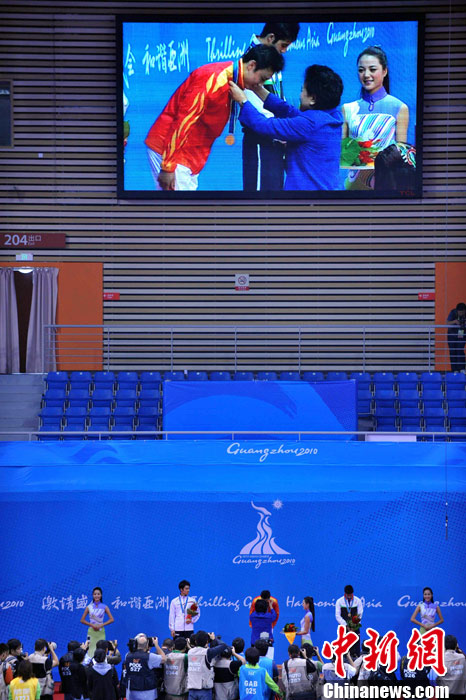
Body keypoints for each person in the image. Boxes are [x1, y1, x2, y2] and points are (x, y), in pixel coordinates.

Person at [145, 45, 284, 192]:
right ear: (251, 65)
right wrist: (167, 165)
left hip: (190, 155)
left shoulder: (235, 81)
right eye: (262, 79)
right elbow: (184, 121)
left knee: (186, 206)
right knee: (180, 207)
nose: (260, 85)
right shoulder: (213, 79)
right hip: (170, 149)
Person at [230, 64, 344, 191]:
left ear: (312, 99)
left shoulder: (309, 124)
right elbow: (288, 111)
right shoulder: (332, 117)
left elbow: (264, 125)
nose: (300, 95)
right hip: (331, 194)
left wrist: (243, 100)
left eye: (302, 90)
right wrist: (257, 89)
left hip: (307, 197)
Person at [241, 22, 300, 192]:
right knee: (260, 198)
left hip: (276, 136)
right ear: (271, 38)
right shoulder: (252, 60)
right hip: (261, 138)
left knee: (274, 195)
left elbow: (276, 96)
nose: (285, 50)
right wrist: (282, 130)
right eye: (283, 45)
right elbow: (253, 108)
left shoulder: (271, 58)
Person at [342, 46, 409, 191]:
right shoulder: (348, 108)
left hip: (385, 185)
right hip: (353, 185)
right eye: (361, 70)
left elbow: (401, 155)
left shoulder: (399, 107)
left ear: (384, 71)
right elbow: (344, 153)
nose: (366, 75)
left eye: (372, 69)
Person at [187, 630, 228, 700]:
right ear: (207, 642)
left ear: (196, 641)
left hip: (192, 690)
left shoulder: (190, 652)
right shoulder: (208, 652)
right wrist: (214, 639)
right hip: (204, 691)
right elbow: (223, 645)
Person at [125, 634, 166, 700]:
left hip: (132, 692)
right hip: (147, 693)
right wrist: (156, 645)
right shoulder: (150, 657)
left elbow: (135, 654)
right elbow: (164, 658)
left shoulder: (127, 656)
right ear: (147, 644)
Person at [80, 587, 115, 657]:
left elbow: (111, 619)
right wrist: (92, 625)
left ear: (101, 595)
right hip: (91, 631)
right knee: (91, 649)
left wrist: (101, 625)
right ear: (93, 595)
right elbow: (82, 620)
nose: (96, 596)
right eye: (95, 594)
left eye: (98, 594)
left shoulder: (104, 607)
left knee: (101, 648)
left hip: (101, 631)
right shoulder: (89, 607)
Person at [431, 635, 466, 700]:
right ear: (456, 645)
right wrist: (458, 649)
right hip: (460, 694)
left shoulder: (439, 659)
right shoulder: (462, 658)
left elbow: (433, 680)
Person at [335, 585, 364, 657]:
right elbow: (337, 616)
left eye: (350, 594)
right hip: (344, 629)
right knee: (344, 649)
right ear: (345, 593)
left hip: (355, 629)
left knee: (356, 649)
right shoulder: (339, 601)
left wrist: (353, 627)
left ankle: (356, 660)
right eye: (348, 594)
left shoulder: (358, 601)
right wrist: (346, 625)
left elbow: (359, 615)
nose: (349, 596)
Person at [447, 303, 466, 372]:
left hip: (461, 333)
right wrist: (454, 321)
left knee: (460, 351)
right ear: (457, 310)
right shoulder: (453, 312)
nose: (461, 313)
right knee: (452, 352)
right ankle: (454, 369)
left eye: (462, 312)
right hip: (452, 335)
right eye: (459, 312)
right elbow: (447, 323)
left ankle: (462, 368)